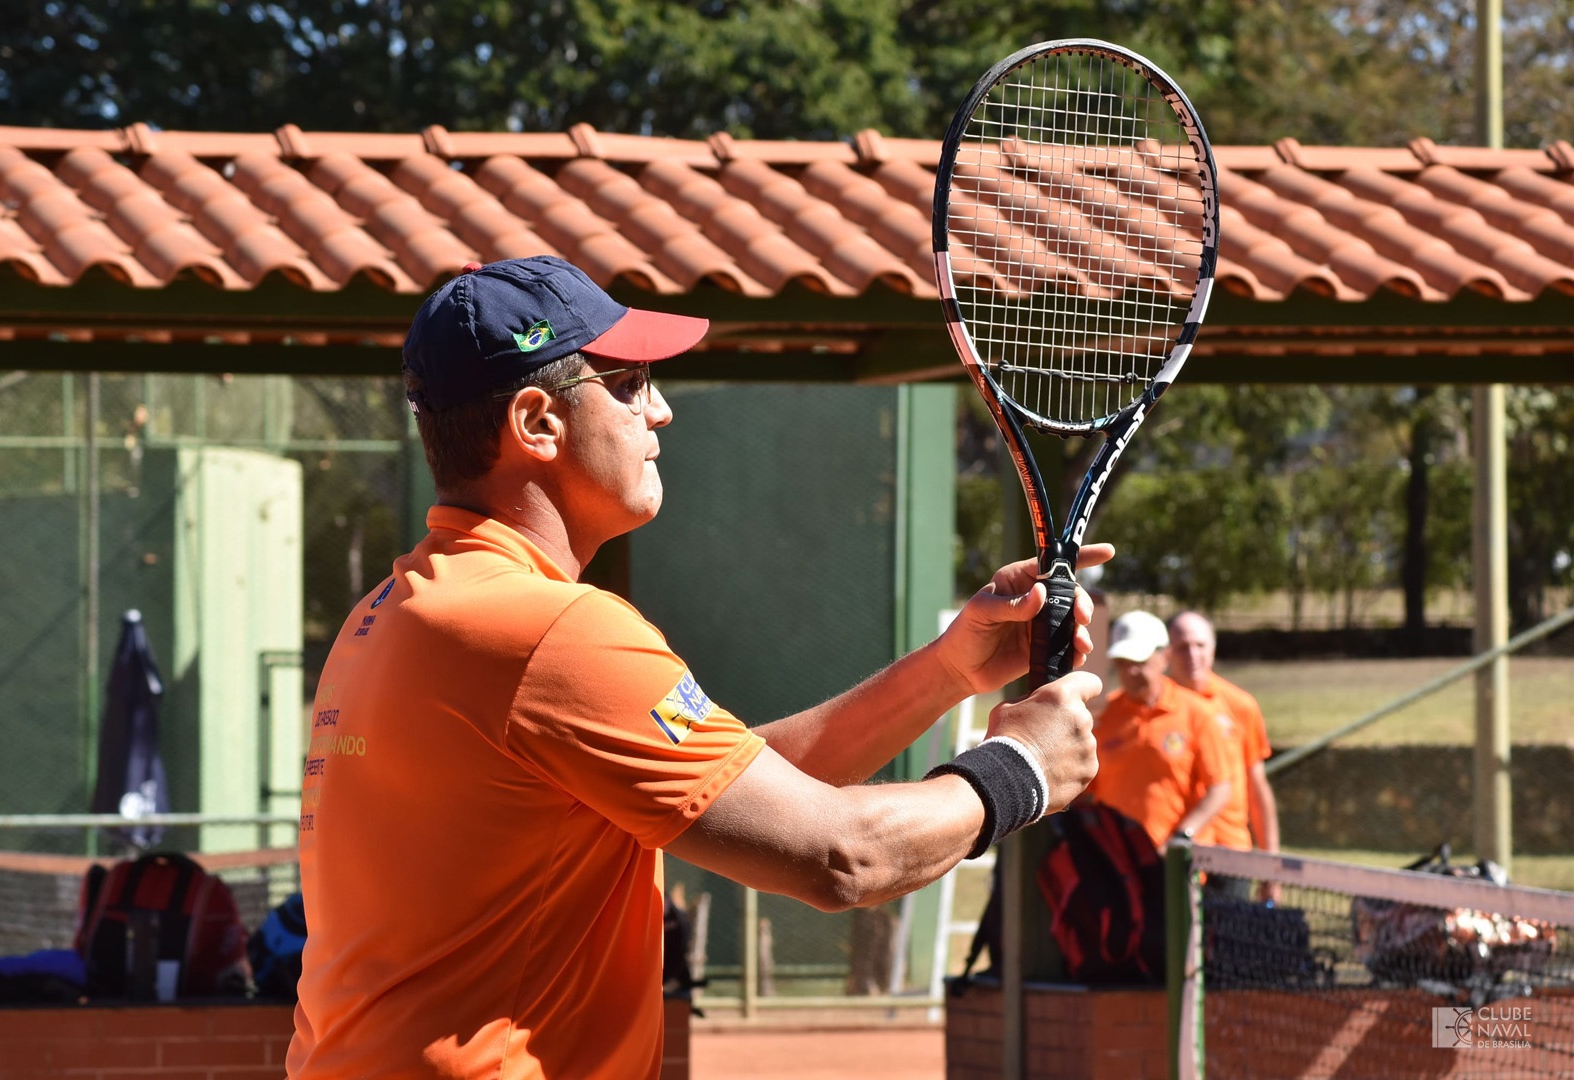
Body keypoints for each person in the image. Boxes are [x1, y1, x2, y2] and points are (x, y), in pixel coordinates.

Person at [286, 255, 1111, 1080]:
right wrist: (1024, 768)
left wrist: (948, 672)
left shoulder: (392, 612)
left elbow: (734, 787)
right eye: (629, 383)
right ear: (537, 422)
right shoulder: (550, 630)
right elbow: (838, 855)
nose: (661, 409)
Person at [1086, 609, 1239, 855]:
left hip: (1175, 859)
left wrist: (1182, 837)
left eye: (1139, 662)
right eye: (1122, 663)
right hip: (1117, 859)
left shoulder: (1196, 713)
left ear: (1164, 657)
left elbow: (1220, 788)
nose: (1131, 672)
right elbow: (1085, 788)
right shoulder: (1102, 716)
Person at [1168, 610, 1283, 901]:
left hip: (1230, 850)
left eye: (1200, 645)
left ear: (1213, 648)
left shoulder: (1240, 705)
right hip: (1175, 848)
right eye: (1182, 647)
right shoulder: (1156, 708)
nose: (1192, 655)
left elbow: (1256, 786)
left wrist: (1271, 863)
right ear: (1167, 652)